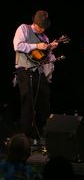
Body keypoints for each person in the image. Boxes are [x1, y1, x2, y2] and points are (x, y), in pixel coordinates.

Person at [13, 10, 59, 140]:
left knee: (44, 100)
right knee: (27, 101)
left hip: (38, 71)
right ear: (35, 23)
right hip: (24, 69)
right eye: (41, 27)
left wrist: (50, 50)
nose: (42, 29)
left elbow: (44, 59)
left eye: (44, 27)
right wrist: (36, 45)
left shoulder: (45, 38)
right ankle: (25, 135)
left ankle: (38, 132)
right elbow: (18, 45)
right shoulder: (24, 29)